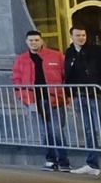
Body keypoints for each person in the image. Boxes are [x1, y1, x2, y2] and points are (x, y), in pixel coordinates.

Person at [13, 29, 68, 171]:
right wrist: (25, 99)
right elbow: (17, 81)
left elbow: (65, 76)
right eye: (31, 40)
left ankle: (63, 161)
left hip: (55, 99)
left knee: (57, 131)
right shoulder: (21, 59)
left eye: (36, 40)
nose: (34, 43)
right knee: (44, 132)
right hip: (35, 100)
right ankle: (50, 159)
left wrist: (65, 97)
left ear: (41, 41)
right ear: (26, 42)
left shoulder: (56, 56)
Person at [63, 26, 101, 176]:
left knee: (98, 128)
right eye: (78, 35)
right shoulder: (70, 52)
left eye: (83, 35)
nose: (81, 38)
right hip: (79, 95)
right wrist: (69, 94)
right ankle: (92, 163)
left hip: (96, 94)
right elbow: (68, 74)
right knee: (88, 130)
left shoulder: (95, 51)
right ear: (71, 36)